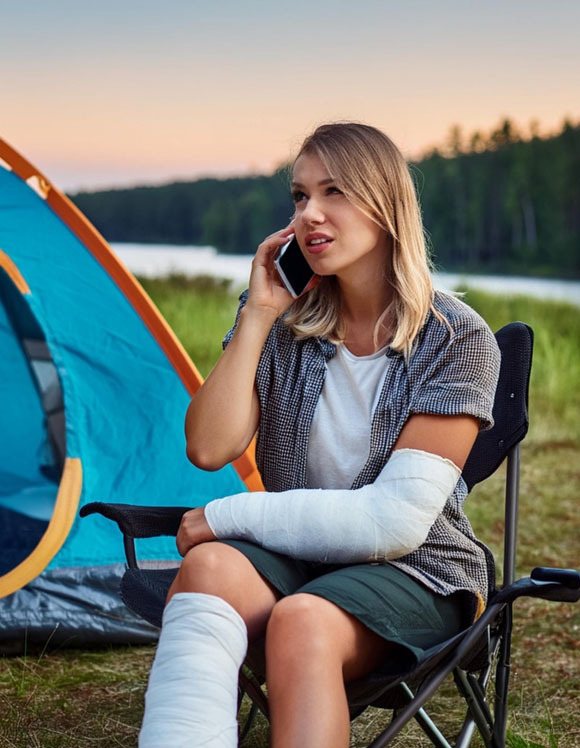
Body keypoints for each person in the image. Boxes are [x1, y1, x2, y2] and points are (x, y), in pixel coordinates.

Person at [138, 122, 501, 747]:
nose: (310, 214)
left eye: (334, 192)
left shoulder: (455, 337)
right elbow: (207, 447)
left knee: (301, 620)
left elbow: (394, 524)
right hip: (298, 560)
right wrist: (257, 314)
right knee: (208, 569)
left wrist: (229, 514)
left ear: (386, 207)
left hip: (417, 571)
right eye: (300, 196)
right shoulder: (287, 326)